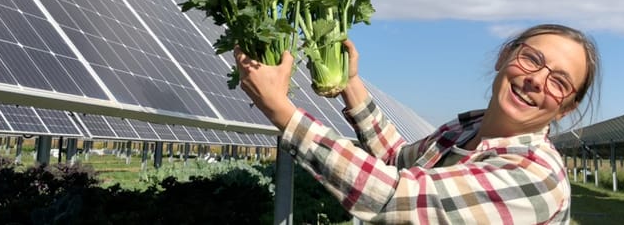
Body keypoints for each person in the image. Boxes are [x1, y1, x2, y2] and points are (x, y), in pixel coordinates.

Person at [235, 23, 600, 224]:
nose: (538, 79)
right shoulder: (465, 131)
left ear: (565, 108)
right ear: (504, 57)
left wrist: (281, 111)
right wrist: (350, 84)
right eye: (531, 58)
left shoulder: (537, 178)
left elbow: (397, 197)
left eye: (559, 82)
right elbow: (398, 161)